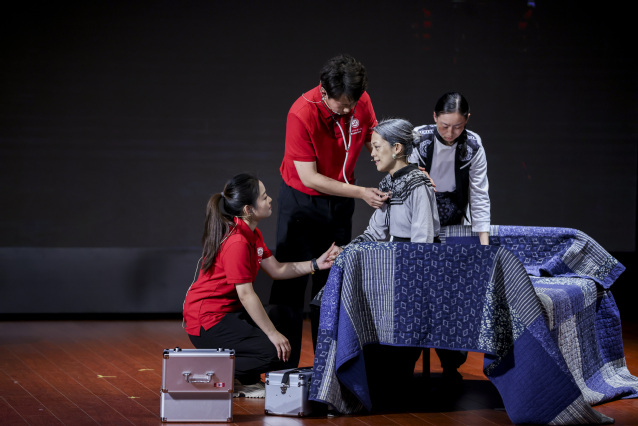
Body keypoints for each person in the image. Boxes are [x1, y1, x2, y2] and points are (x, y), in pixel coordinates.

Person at [270, 54, 387, 353]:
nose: (348, 110)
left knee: (333, 280)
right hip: (302, 202)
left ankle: (329, 363)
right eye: (342, 105)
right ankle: (283, 368)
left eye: (352, 104)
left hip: (341, 201)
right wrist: (361, 192)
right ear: (324, 90)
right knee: (291, 286)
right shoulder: (301, 113)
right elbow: (309, 177)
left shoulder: (360, 100)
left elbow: (374, 140)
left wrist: (405, 168)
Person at [183, 173, 335, 398]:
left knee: (281, 320)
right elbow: (246, 295)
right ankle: (215, 373)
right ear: (248, 209)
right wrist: (272, 334)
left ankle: (245, 380)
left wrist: (316, 264)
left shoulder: (252, 234)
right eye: (264, 197)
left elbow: (277, 270)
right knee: (274, 352)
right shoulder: (237, 242)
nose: (270, 199)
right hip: (207, 321)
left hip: (227, 314)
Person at [326, 118, 440, 410]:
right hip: (392, 267)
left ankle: (388, 392)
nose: (373, 154)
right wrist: (346, 250)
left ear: (397, 148)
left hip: (412, 272)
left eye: (377, 147)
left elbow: (423, 242)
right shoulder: (389, 182)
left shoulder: (418, 184)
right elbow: (375, 232)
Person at [410, 91, 491, 384]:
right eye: (444, 125)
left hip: (455, 218)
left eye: (458, 126)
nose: (450, 132)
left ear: (467, 120)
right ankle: (405, 361)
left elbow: (479, 195)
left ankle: (451, 364)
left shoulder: (473, 145)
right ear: (434, 117)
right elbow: (403, 179)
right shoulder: (418, 138)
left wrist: (483, 246)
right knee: (416, 294)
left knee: (452, 295)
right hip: (419, 218)